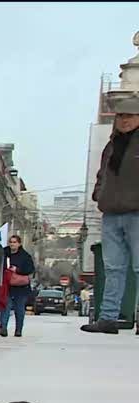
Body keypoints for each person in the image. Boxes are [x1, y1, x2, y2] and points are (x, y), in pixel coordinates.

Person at [81, 96, 139, 334]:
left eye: (129, 116)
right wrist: (98, 195)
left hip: (136, 212)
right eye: (120, 116)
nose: (123, 120)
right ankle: (108, 319)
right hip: (111, 213)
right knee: (113, 268)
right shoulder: (111, 145)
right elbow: (101, 173)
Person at [0, 235, 36, 337]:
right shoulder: (4, 252)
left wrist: (17, 270)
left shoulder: (25, 256)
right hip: (7, 285)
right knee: (5, 306)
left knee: (19, 308)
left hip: (21, 287)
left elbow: (30, 269)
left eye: (14, 242)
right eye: (11, 242)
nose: (12, 244)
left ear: (19, 244)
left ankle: (18, 329)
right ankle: (3, 328)